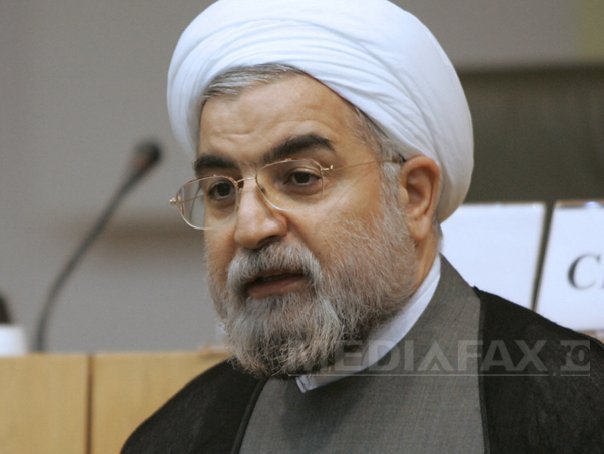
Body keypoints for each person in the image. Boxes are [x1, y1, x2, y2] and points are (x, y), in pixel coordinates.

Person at [123, 1, 604, 452]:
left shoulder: (575, 408)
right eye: (221, 191)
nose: (250, 228)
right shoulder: (178, 438)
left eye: (301, 178)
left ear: (413, 195)